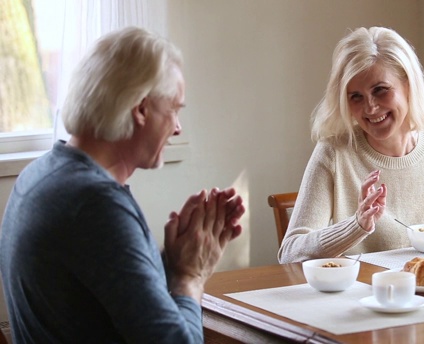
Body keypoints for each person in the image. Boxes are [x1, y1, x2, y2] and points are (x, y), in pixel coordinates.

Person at [0, 26, 245, 343]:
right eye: (173, 109)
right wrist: (190, 276)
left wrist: (171, 260)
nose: (178, 128)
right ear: (142, 108)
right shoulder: (94, 204)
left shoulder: (40, 174)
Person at [278, 26, 424, 264]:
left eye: (380, 90)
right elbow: (290, 252)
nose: (370, 108)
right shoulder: (335, 153)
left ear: (408, 85)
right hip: (365, 295)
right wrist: (357, 225)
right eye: (356, 97)